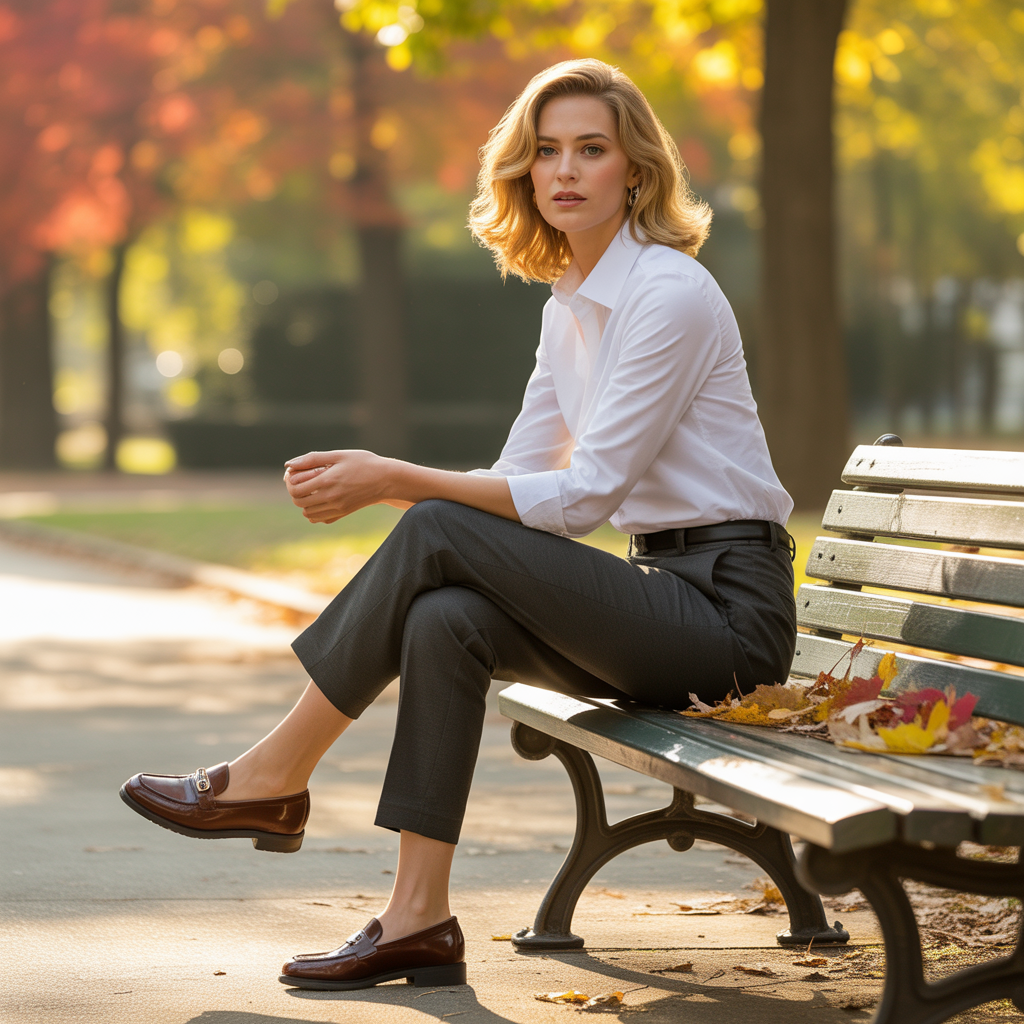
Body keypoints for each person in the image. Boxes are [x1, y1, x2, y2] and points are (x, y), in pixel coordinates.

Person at [119, 58, 795, 992]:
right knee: (445, 619)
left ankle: (276, 772)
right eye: (546, 151)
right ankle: (419, 918)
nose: (564, 170)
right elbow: (521, 479)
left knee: (436, 525)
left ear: (634, 172)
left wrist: (395, 478)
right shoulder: (569, 311)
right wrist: (413, 488)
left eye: (590, 150)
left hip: (727, 622)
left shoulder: (668, 294)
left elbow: (584, 496)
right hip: (660, 598)